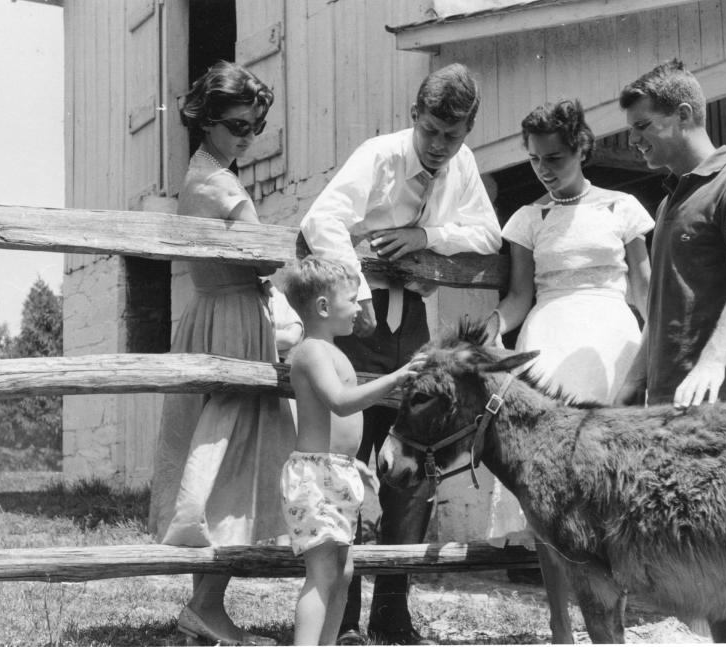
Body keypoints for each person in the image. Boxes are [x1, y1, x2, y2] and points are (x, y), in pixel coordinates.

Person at [299, 62, 501, 645]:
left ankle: (394, 603)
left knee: (411, 470)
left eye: (453, 135)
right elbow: (323, 220)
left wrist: (427, 238)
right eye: (432, 131)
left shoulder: (460, 165)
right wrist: (357, 290)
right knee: (352, 465)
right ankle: (348, 611)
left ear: (467, 130)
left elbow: (486, 233)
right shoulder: (380, 155)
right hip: (358, 321)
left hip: (412, 321)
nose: (439, 147)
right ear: (415, 116)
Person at [488, 98, 654, 642]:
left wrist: (658, 349)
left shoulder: (621, 207)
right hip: (552, 337)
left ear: (582, 146)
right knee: (546, 486)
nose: (544, 167)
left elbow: (644, 291)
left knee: (607, 484)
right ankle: (560, 623)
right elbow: (518, 296)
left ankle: (613, 620)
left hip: (611, 339)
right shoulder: (527, 218)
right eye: (535, 158)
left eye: (555, 156)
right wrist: (495, 326)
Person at [148, 60, 295, 647]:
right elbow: (265, 257)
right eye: (237, 125)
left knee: (224, 458)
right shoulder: (218, 186)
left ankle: (205, 606)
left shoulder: (208, 172)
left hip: (225, 313)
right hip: (229, 318)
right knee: (223, 462)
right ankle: (206, 607)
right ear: (207, 120)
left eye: (256, 128)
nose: (246, 138)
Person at [616, 59, 726, 409]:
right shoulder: (666, 204)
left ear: (684, 115)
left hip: (724, 398)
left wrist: (713, 361)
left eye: (642, 125)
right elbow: (661, 306)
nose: (632, 139)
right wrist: (633, 381)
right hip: (669, 401)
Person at [279, 256, 421, 646]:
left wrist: (354, 463)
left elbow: (332, 425)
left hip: (335, 471)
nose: (360, 307)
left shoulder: (335, 352)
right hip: (315, 477)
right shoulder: (311, 353)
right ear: (324, 307)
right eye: (353, 299)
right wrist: (395, 378)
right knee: (322, 573)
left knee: (342, 572)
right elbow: (340, 402)